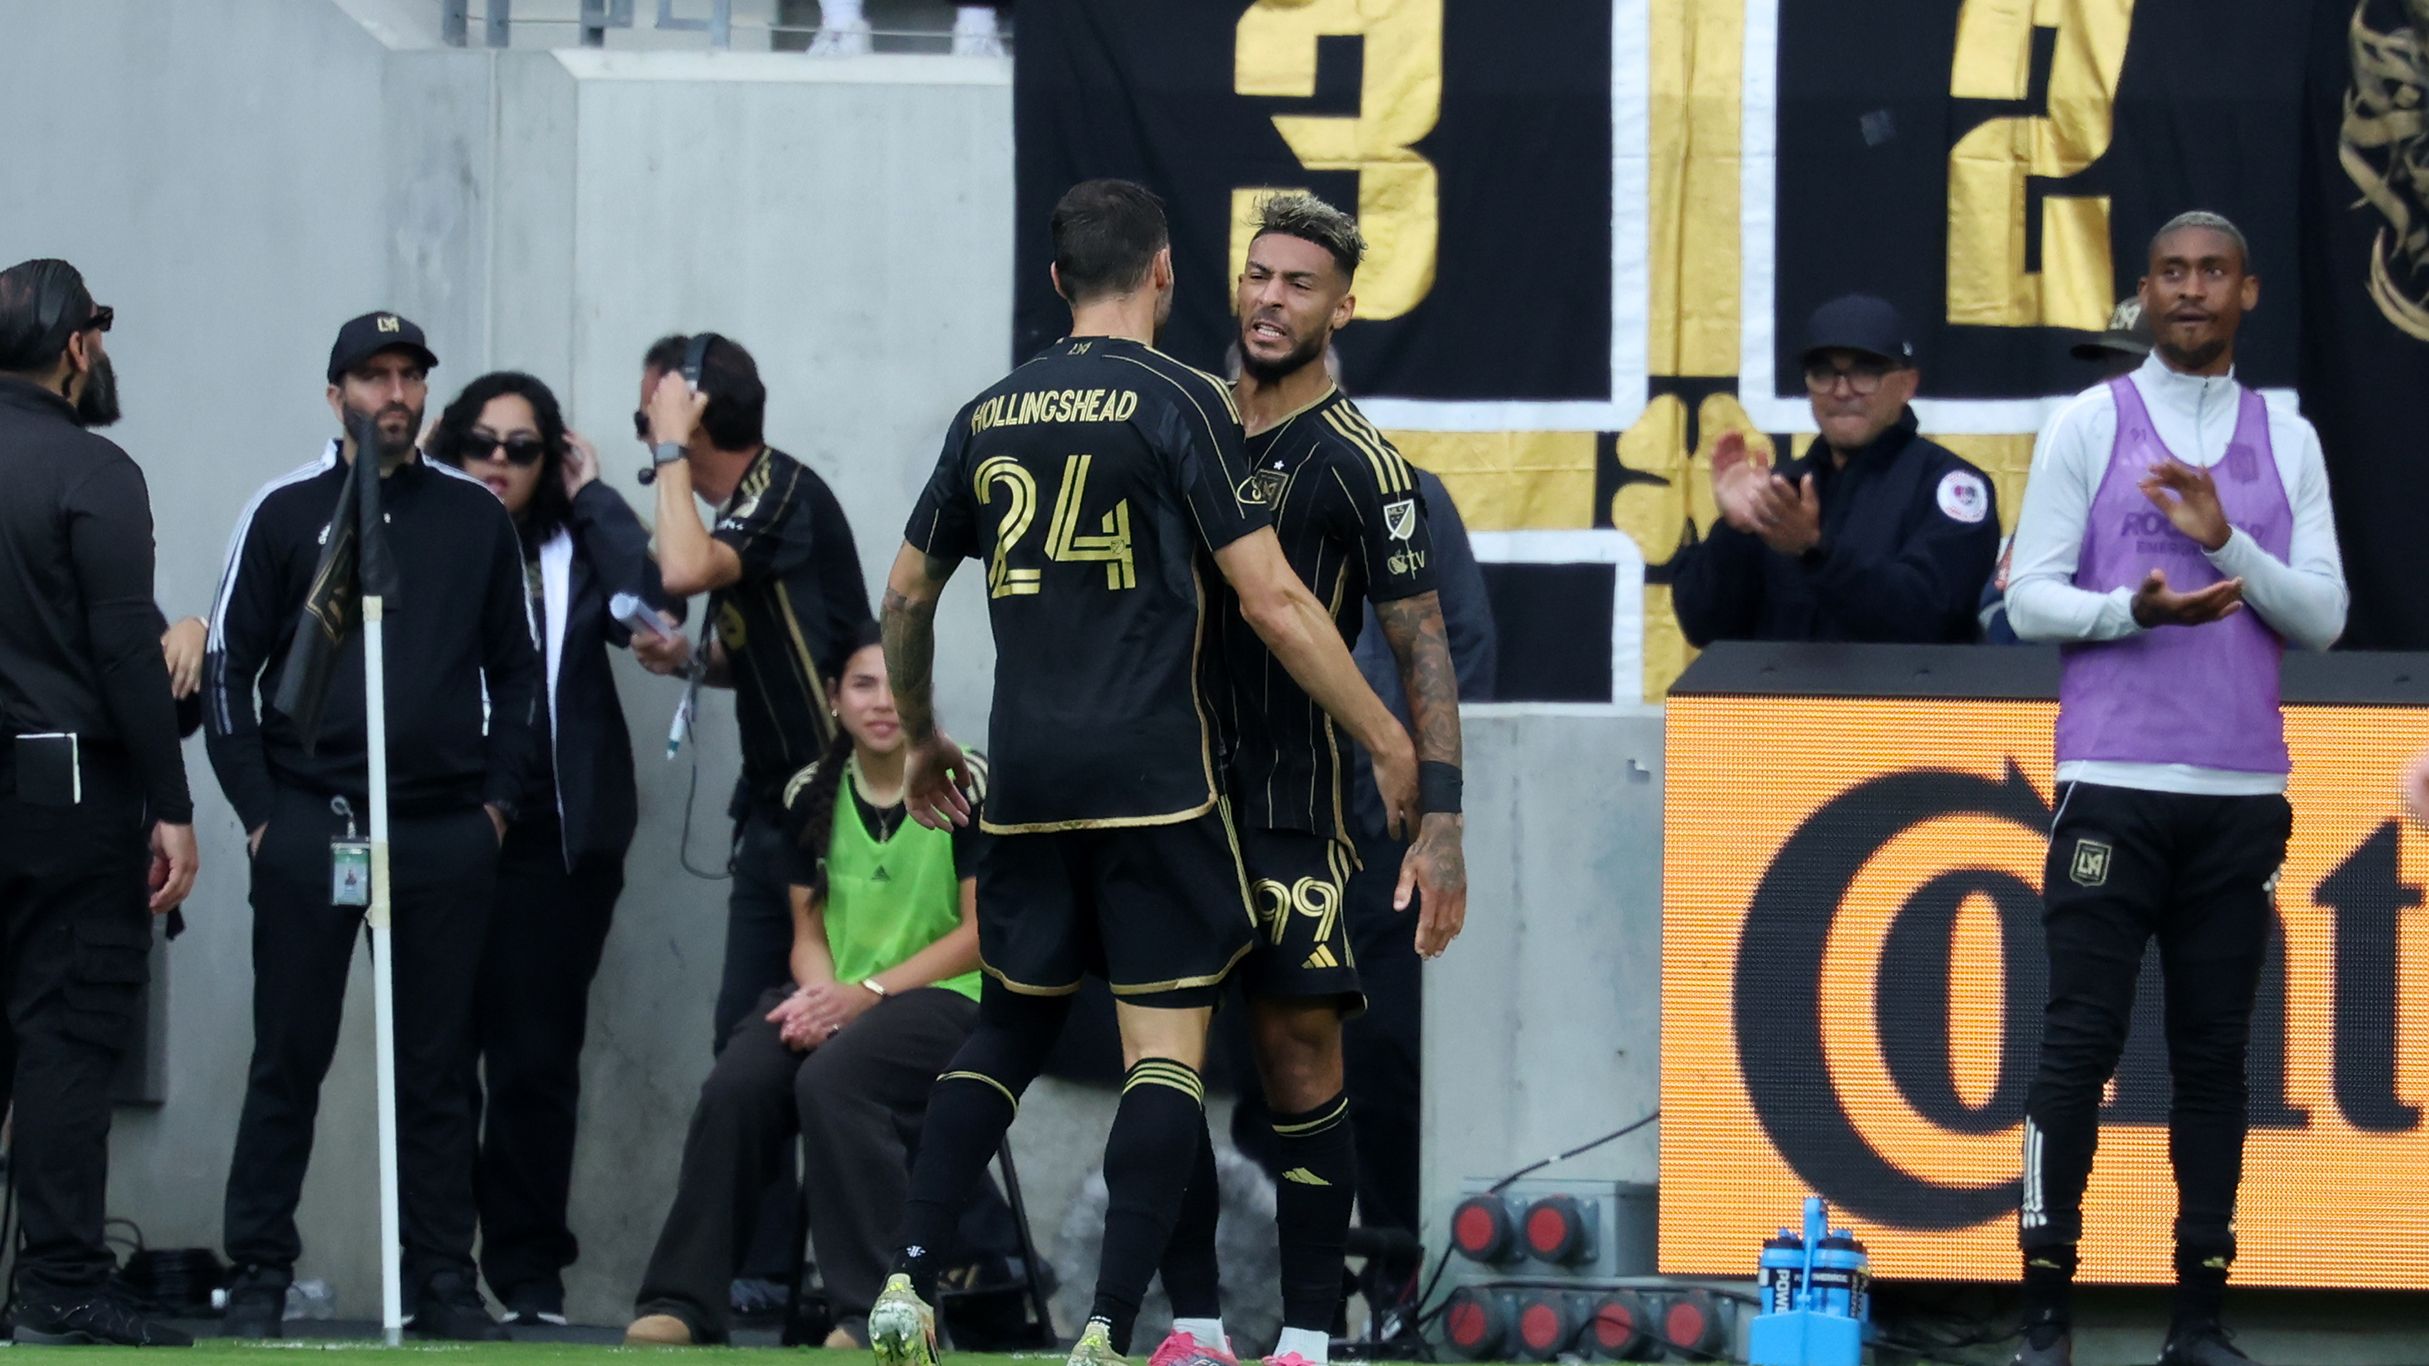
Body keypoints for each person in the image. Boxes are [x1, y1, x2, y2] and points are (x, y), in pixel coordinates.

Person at [865, 178, 1418, 1366]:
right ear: (1165, 272)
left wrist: (919, 739)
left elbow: (904, 593)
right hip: (1158, 780)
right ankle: (1114, 1326)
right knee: (1165, 1055)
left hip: (1023, 781)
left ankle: (906, 1278)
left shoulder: (986, 413)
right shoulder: (1183, 401)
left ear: (1056, 280)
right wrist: (1384, 736)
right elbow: (1272, 600)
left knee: (1005, 1030)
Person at [2003, 212, 2348, 1366]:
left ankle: (2195, 1322)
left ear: (2247, 291)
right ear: (2141, 292)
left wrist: (2229, 544)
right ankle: (2042, 1319)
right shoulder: (2088, 422)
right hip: (2111, 780)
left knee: (2211, 1059)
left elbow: (2323, 619)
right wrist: (2131, 611)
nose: (2189, 289)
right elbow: (2026, 596)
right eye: (2169, 273)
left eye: (2211, 272)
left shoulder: (2285, 436)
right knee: (2077, 1045)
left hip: (2238, 790)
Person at [1151, 193, 1469, 1366]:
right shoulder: (1181, 421)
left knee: (1303, 1068)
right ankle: (1191, 1328)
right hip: (1166, 804)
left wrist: (1440, 819)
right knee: (1164, 1069)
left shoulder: (1365, 463)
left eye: (1298, 284)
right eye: (1258, 275)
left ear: (1343, 307)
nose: (1270, 299)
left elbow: (1427, 647)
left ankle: (1307, 1332)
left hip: (1295, 811)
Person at [203, 312, 542, 1342]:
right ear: (336, 393)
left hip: (443, 832)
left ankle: (440, 1276)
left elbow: (518, 673)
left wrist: (494, 808)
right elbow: (226, 669)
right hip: (314, 824)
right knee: (288, 1055)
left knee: (435, 1067)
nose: (394, 394)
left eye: (409, 376)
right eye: (373, 376)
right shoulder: (283, 511)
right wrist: (261, 817)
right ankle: (258, 1271)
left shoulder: (474, 516)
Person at [626, 625, 989, 1349]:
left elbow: (983, 933)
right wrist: (827, 1001)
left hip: (953, 999)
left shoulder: (968, 782)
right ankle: (684, 1301)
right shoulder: (807, 792)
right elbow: (807, 935)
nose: (882, 702)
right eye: (863, 684)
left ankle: (878, 1313)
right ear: (832, 698)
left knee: (835, 1080)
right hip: (844, 998)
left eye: (899, 684)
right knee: (739, 1081)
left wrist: (867, 995)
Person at [425, 371, 679, 1326]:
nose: (498, 461)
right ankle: (435, 1274)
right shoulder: (421, 535)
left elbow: (653, 607)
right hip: (439, 827)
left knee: (534, 1063)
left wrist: (596, 494)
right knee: (436, 1061)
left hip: (553, 840)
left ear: (551, 459)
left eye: (523, 448)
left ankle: (529, 1279)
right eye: (480, 443)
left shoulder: (573, 543)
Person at [0, 259, 197, 1347]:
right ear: (77, 346)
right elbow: (125, 649)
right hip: (62, 794)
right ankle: (62, 1280)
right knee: (65, 1035)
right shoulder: (93, 470)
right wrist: (172, 802)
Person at [628, 333, 873, 1056]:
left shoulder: (780, 492)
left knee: (827, 1048)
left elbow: (682, 569)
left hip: (835, 817)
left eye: (649, 416)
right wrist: (685, 658)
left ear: (695, 413)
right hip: (773, 810)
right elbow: (756, 654)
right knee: (744, 1043)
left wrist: (669, 448)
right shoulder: (745, 508)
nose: (646, 433)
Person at [1670, 295, 2000, 645]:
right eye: (1824, 373)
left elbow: (1928, 616)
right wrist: (1735, 532)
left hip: (1898, 684)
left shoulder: (1946, 486)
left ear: (1907, 384)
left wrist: (1814, 553)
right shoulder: (1782, 492)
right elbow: (1704, 627)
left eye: (1865, 372)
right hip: (1781, 685)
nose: (1842, 390)